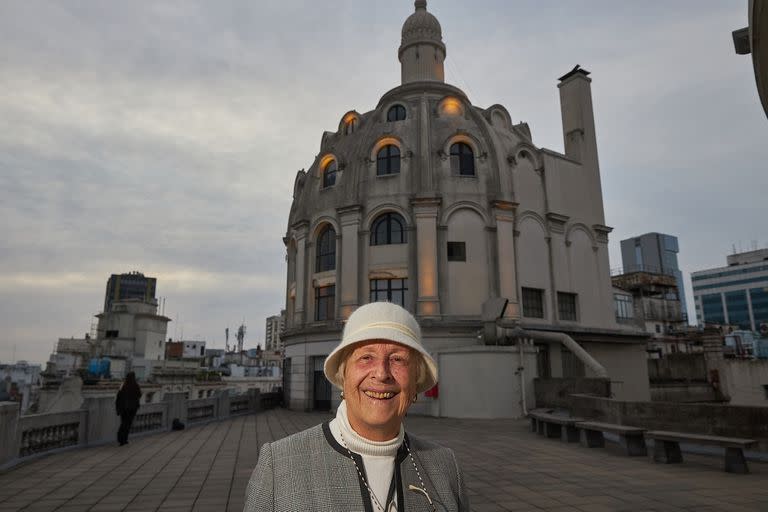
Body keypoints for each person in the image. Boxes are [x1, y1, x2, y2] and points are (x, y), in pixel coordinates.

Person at [244, 302, 469, 511]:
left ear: (415, 382)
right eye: (366, 358)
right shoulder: (279, 464)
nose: (381, 374)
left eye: (398, 359)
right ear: (344, 375)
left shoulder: (445, 465)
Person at [115, 371, 141, 446]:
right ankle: (124, 439)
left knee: (123, 423)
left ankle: (121, 439)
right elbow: (139, 395)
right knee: (128, 424)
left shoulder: (123, 385)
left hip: (124, 408)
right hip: (132, 408)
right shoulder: (136, 385)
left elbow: (119, 396)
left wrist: (118, 407)